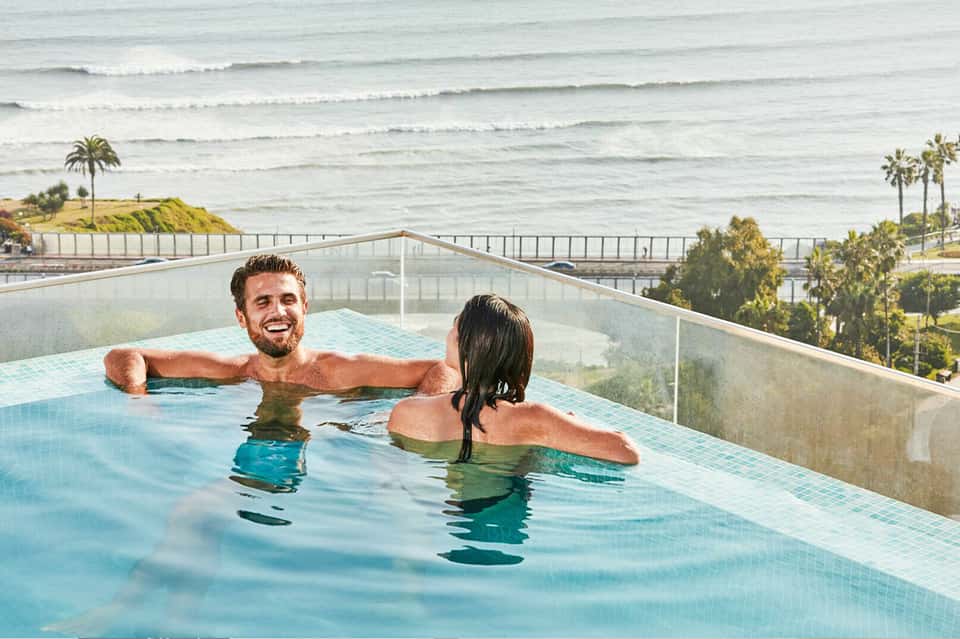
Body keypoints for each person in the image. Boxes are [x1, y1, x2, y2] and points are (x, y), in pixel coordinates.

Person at [104, 254, 460, 394]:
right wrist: (139, 398)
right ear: (241, 317)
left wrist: (421, 409)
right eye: (263, 302)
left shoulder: (341, 371)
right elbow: (124, 355)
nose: (279, 312)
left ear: (305, 307)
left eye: (288, 300)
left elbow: (443, 368)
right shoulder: (231, 370)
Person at [387, 294, 640, 465]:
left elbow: (390, 478)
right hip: (507, 518)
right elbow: (625, 452)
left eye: (455, 324)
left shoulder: (406, 412)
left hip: (439, 519)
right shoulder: (534, 419)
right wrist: (572, 424)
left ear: (460, 341)